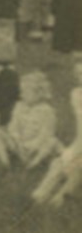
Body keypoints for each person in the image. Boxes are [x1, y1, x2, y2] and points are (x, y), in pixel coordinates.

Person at [32, 60, 82, 207]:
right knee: (58, 163)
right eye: (78, 74)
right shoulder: (76, 94)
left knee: (78, 166)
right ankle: (39, 197)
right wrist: (70, 153)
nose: (81, 77)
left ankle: (59, 199)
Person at [0, 71, 61, 170]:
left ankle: (33, 165)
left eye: (25, 92)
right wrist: (17, 140)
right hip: (19, 145)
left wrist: (32, 147)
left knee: (52, 141)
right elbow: (13, 127)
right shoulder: (19, 106)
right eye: (21, 91)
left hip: (36, 148)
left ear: (39, 93)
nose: (21, 95)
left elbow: (46, 134)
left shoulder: (48, 111)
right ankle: (5, 164)